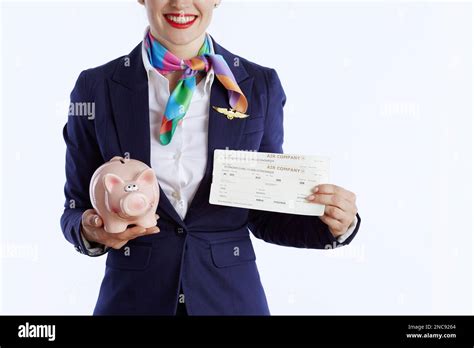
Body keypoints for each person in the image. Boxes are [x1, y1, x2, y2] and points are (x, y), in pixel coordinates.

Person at [60, 0, 361, 315]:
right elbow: (75, 206)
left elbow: (263, 211)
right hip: (132, 301)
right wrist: (90, 229)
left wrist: (337, 225)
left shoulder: (259, 86)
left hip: (230, 300)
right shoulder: (96, 87)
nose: (180, 3)